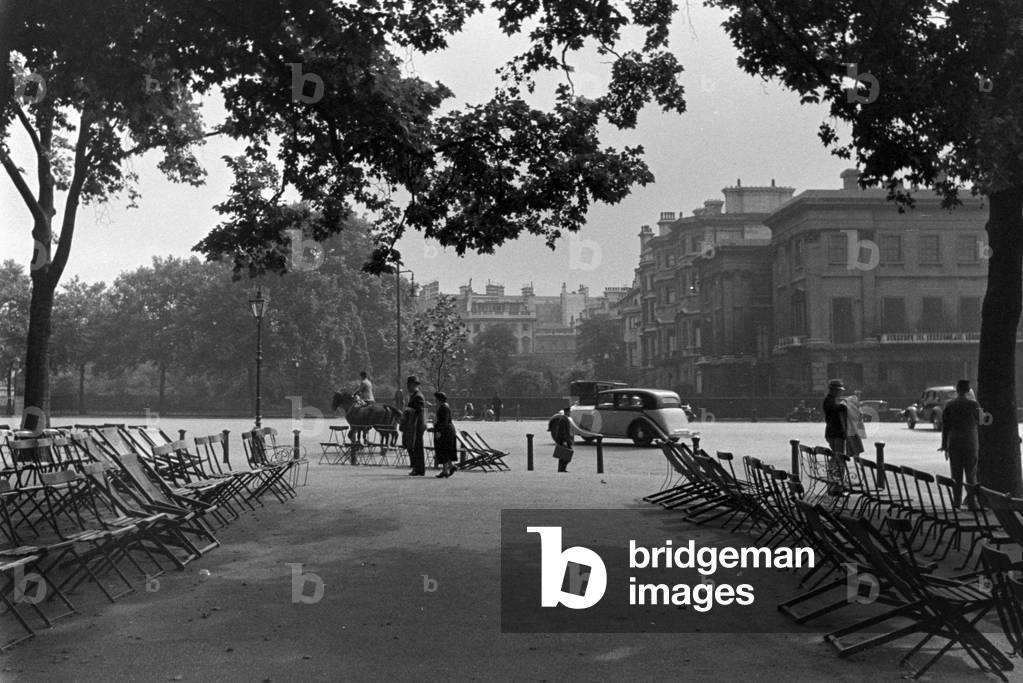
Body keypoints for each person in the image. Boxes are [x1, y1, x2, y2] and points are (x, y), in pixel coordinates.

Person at [939, 379, 981, 509]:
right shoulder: (973, 404)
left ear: (957, 390)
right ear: (968, 390)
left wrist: (944, 445)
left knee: (956, 475)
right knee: (971, 474)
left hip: (954, 442)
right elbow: (980, 420)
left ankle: (956, 503)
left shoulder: (949, 405)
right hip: (970, 442)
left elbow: (945, 426)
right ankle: (972, 503)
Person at [547, 408, 599, 473]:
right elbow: (563, 432)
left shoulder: (564, 419)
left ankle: (561, 469)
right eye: (568, 412)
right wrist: (565, 441)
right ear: (566, 412)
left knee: (564, 455)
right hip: (565, 440)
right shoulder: (563, 420)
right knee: (566, 455)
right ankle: (561, 469)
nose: (569, 413)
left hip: (565, 440)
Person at [822, 378, 848, 495]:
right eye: (839, 391)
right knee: (839, 459)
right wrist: (846, 406)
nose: (841, 393)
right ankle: (836, 487)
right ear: (834, 390)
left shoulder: (832, 400)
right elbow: (836, 410)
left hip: (833, 432)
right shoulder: (829, 401)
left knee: (836, 458)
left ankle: (834, 485)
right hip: (835, 433)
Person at [401, 376, 427, 476]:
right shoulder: (414, 396)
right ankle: (417, 468)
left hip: (416, 426)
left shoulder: (418, 397)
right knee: (413, 447)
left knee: (416, 448)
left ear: (413, 384)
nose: (407, 386)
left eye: (409, 384)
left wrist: (407, 410)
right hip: (413, 426)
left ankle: (418, 468)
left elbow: (420, 412)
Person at [433, 392, 458, 478]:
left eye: (436, 399)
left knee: (444, 450)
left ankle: (447, 469)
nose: (435, 400)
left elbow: (444, 421)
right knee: (445, 450)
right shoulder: (443, 407)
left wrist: (439, 431)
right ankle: (448, 468)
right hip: (447, 430)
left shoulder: (444, 408)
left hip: (446, 431)